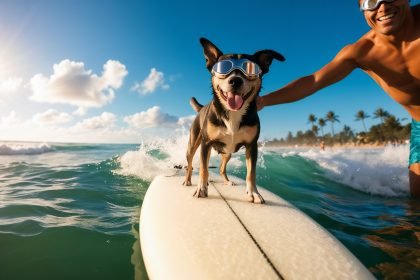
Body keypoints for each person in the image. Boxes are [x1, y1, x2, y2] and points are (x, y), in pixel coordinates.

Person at [258, 0, 420, 197]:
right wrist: (263, 101)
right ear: (362, 9)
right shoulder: (361, 52)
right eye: (371, 2)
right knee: (417, 199)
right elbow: (314, 80)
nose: (383, 7)